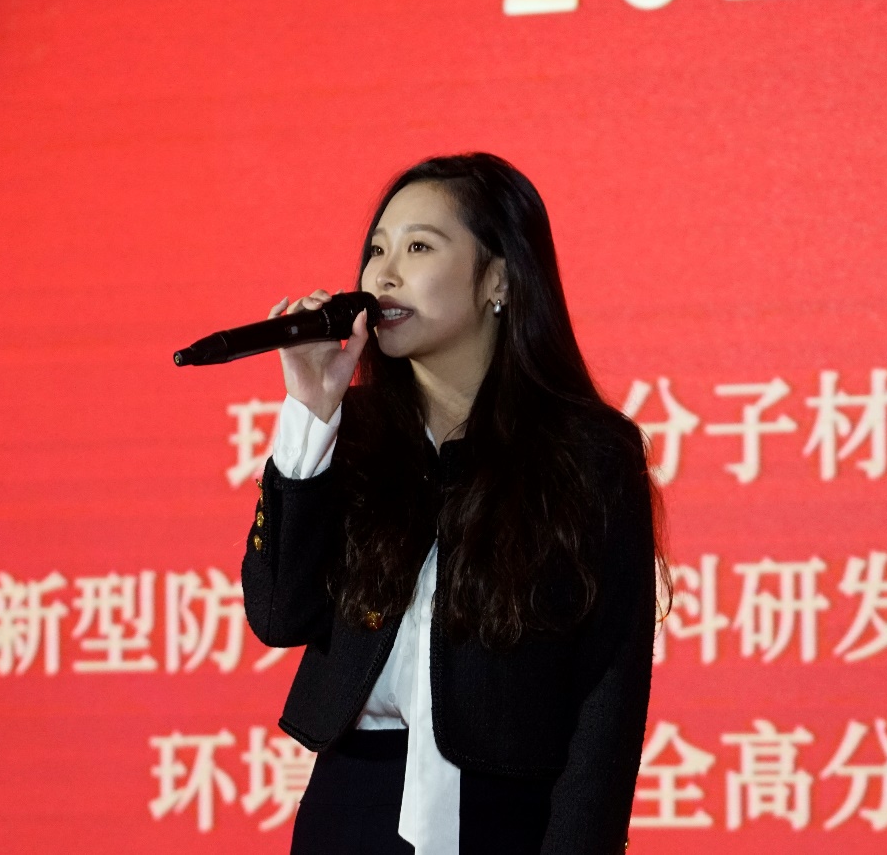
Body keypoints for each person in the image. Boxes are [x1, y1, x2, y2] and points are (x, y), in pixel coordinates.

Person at [241, 152, 662, 855]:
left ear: (499, 277)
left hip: (509, 817)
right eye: (377, 249)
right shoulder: (350, 436)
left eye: (418, 248)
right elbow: (279, 614)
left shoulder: (588, 454)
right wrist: (311, 412)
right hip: (352, 811)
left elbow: (607, 699)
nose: (383, 275)